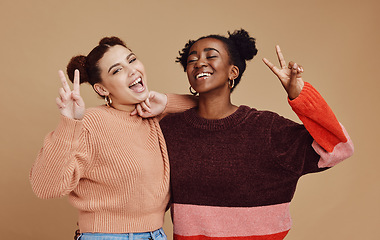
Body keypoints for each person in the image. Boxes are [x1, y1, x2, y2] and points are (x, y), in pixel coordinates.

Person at [159, 29, 354, 240]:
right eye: (192, 59)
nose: (199, 63)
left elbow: (338, 148)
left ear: (233, 72)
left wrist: (300, 94)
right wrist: (166, 102)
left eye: (211, 55)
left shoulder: (266, 129)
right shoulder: (170, 129)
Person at [29, 36, 196, 240]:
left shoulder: (152, 115)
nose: (132, 70)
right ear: (102, 89)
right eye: (117, 70)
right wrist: (68, 123)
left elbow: (212, 107)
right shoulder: (92, 122)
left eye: (132, 60)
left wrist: (167, 102)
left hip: (156, 234)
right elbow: (46, 187)